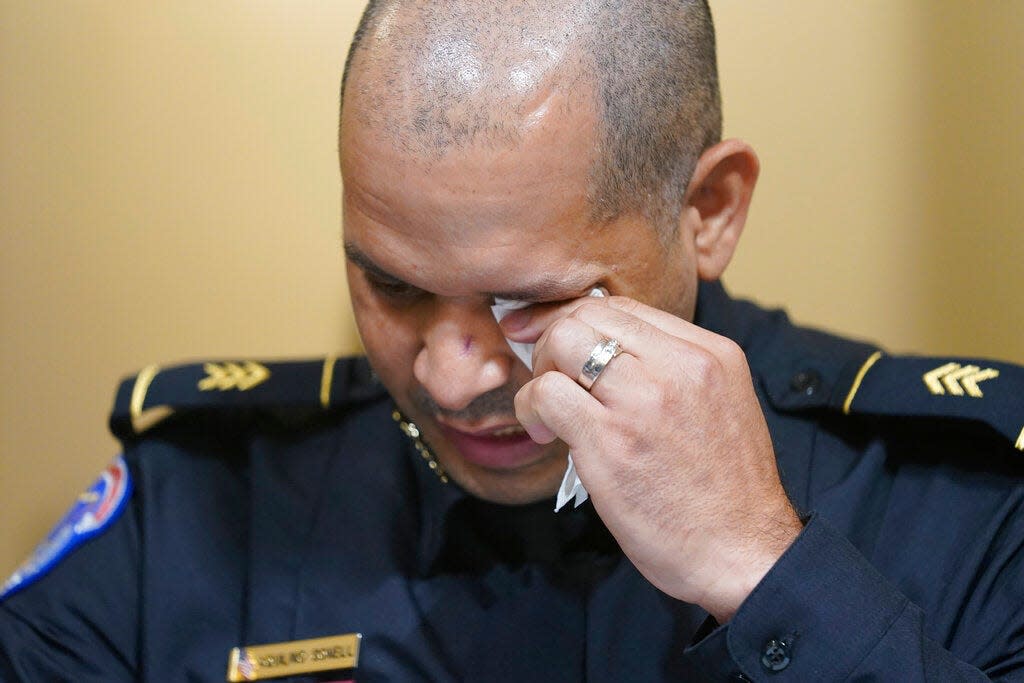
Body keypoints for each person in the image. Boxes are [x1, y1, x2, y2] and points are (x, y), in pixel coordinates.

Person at [2, 1, 1023, 680]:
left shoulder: (966, 507)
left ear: (707, 208)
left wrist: (765, 568)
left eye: (526, 303)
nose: (450, 375)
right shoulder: (200, 504)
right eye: (390, 283)